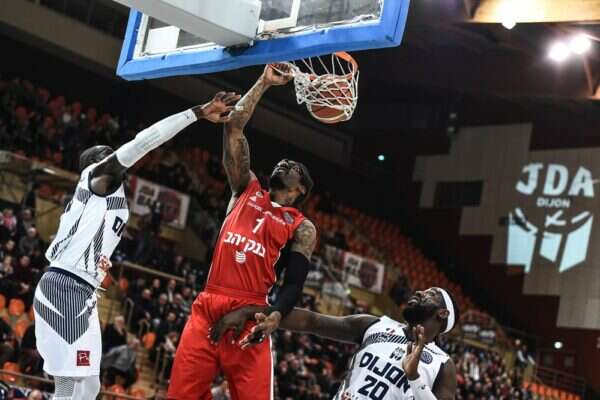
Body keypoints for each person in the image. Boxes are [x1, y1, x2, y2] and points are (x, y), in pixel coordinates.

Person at [32, 91, 239, 400]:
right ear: (97, 164)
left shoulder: (106, 200)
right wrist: (198, 112)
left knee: (89, 386)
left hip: (82, 291)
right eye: (109, 154)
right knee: (70, 383)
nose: (117, 156)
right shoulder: (96, 177)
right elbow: (144, 141)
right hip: (65, 287)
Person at [168, 65, 318, 400]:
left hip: (252, 313)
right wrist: (264, 81)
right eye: (283, 163)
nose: (284, 164)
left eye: (294, 168)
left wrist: (273, 316)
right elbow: (234, 126)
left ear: (300, 190)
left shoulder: (302, 227)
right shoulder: (245, 189)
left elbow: (293, 284)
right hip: (208, 305)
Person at [212, 287, 459, 400]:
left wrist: (414, 377)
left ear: (443, 313)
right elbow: (311, 321)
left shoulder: (442, 364)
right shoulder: (376, 324)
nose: (420, 293)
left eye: (430, 294)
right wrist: (253, 312)